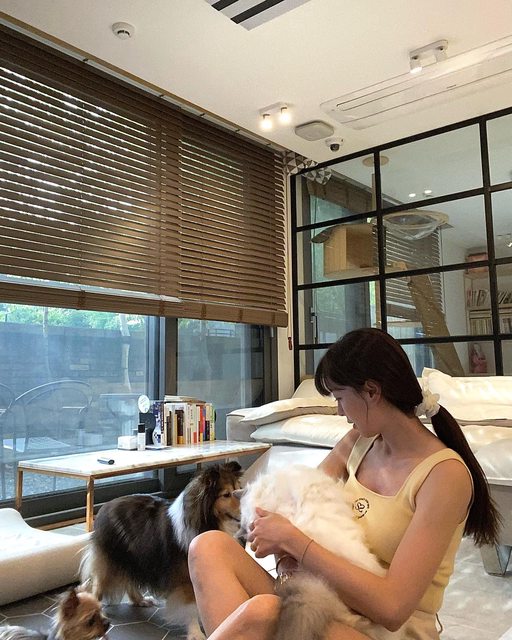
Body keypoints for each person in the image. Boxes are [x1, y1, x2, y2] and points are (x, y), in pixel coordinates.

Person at [188, 328, 501, 640]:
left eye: (340, 398)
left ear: (371, 391)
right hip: (322, 600)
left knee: (263, 612)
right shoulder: (359, 441)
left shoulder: (445, 476)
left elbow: (393, 609)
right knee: (208, 547)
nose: (339, 411)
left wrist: (294, 542)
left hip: (387, 631)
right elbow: (297, 505)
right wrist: (284, 564)